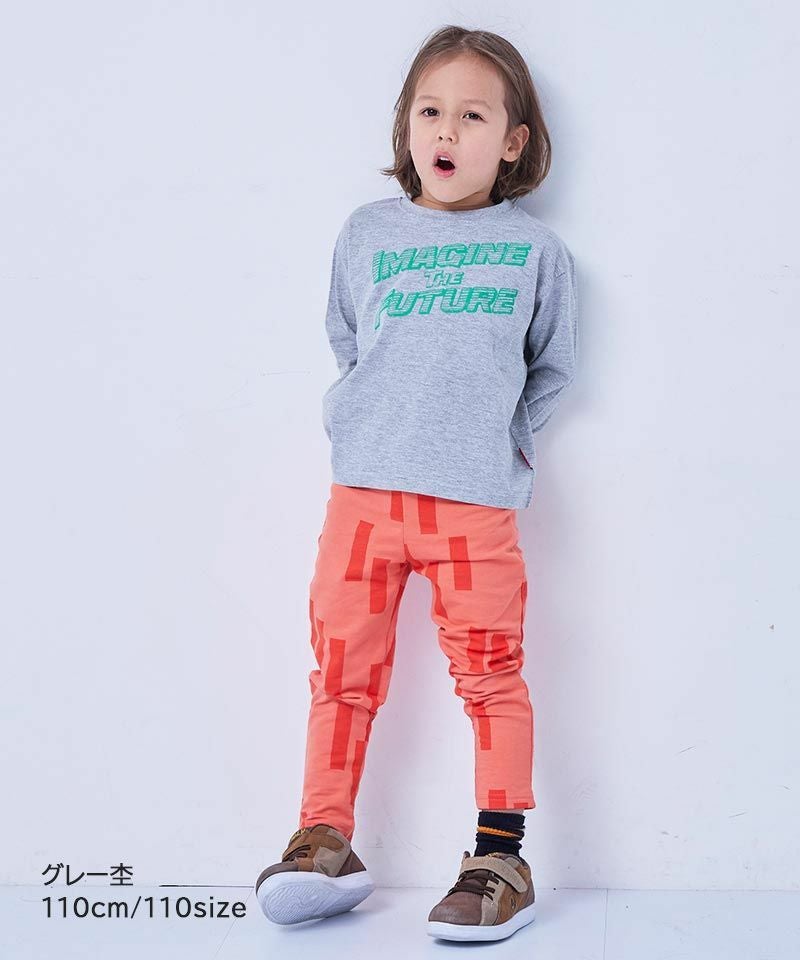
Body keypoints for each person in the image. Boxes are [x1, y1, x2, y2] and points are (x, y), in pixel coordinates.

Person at [254, 23, 578, 943]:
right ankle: (323, 840)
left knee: (492, 675)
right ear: (406, 127)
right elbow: (348, 338)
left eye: (473, 116)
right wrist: (368, 422)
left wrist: (501, 448)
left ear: (512, 141)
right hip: (362, 499)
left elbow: (552, 368)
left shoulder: (533, 251)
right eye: (430, 111)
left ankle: (499, 859)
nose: (447, 130)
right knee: (341, 672)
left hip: (474, 506)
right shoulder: (367, 233)